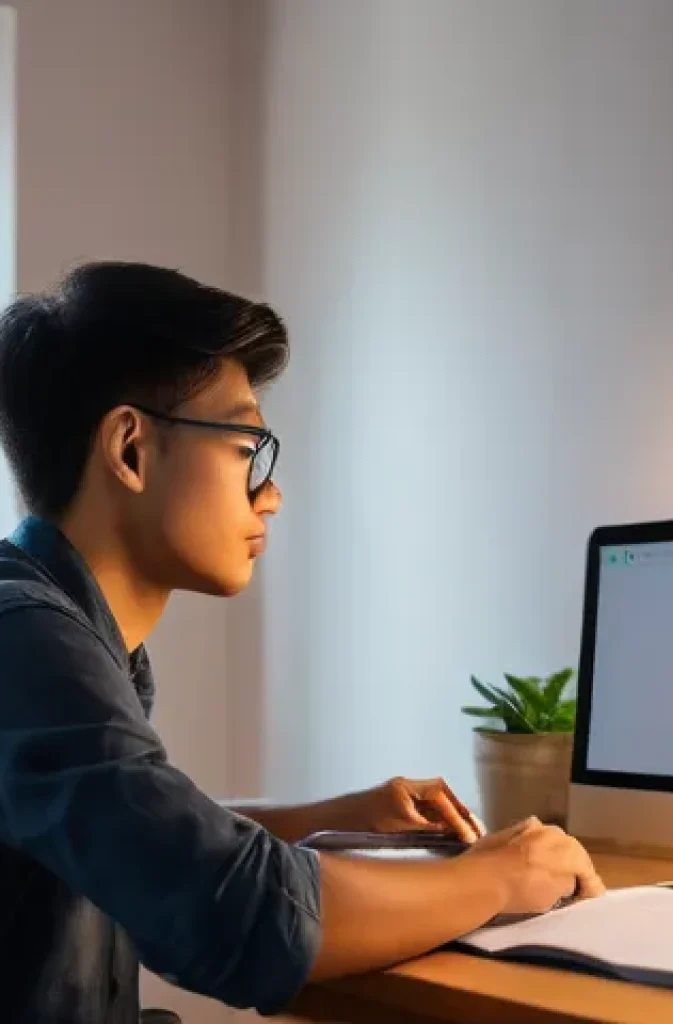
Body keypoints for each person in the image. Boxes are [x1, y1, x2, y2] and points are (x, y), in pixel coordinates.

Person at [0, 262, 605, 1024]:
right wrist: (496, 877)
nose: (272, 495)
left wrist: (338, 815)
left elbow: (139, 835)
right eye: (246, 446)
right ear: (131, 450)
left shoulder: (54, 629)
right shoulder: (25, 639)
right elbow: (227, 910)